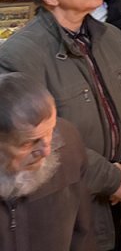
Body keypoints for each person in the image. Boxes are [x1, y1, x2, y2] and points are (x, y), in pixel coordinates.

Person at [0, 0, 121, 251]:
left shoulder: (114, 38)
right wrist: (112, 178)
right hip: (70, 208)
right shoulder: (19, 55)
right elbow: (41, 139)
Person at [0, 71, 95, 251]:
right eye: (29, 143)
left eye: (50, 131)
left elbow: (83, 232)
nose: (46, 151)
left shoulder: (68, 145)